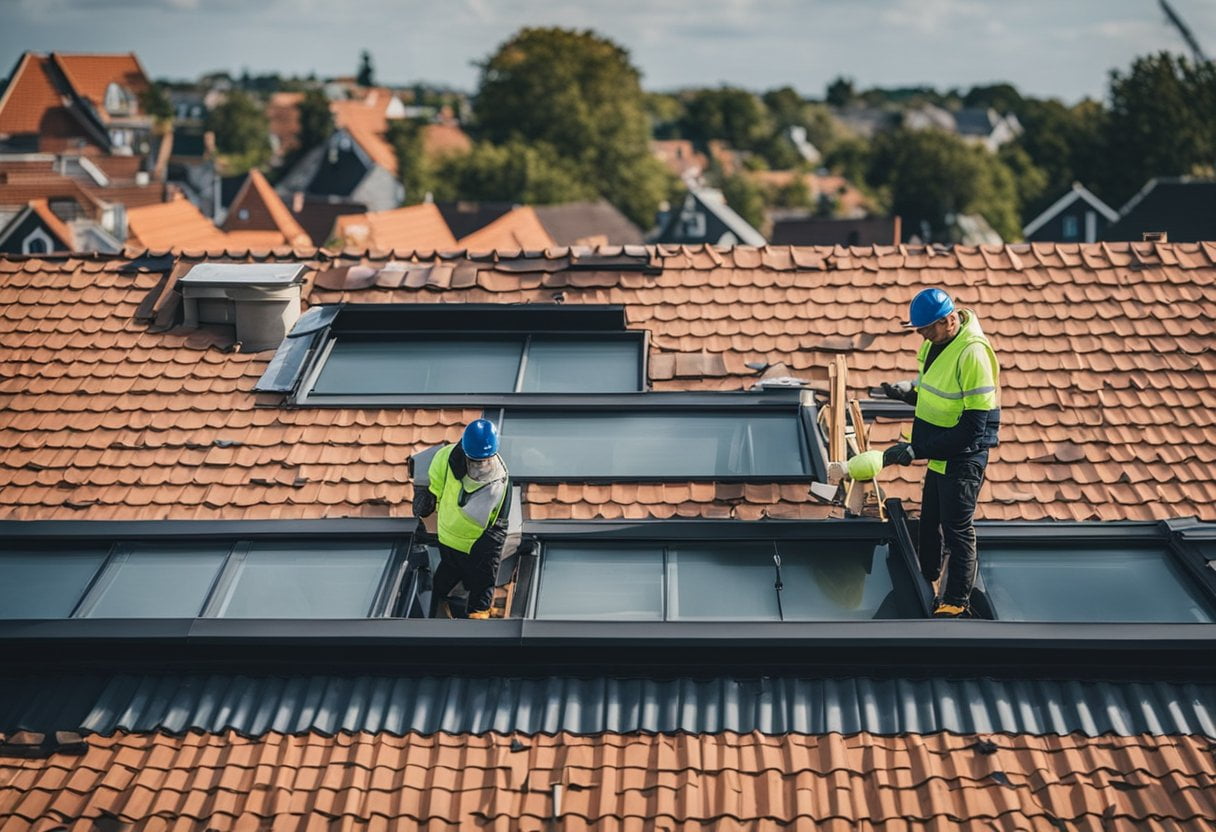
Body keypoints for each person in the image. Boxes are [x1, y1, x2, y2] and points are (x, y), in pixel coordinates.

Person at [881, 288, 1001, 618]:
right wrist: (908, 394)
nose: (921, 335)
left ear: (949, 320)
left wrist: (916, 449)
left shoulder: (972, 353)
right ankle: (926, 582)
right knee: (930, 519)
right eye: (918, 330)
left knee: (957, 528)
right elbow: (936, 394)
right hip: (940, 452)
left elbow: (972, 427)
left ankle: (956, 601)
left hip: (964, 456)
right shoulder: (935, 342)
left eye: (926, 329)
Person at [412, 419, 511, 620]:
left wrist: (488, 548)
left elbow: (497, 522)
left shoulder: (497, 480)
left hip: (475, 546)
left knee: (479, 592)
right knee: (443, 585)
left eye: (483, 461)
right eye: (474, 461)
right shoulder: (445, 457)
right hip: (448, 539)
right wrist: (429, 497)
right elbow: (437, 484)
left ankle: (474, 625)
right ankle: (435, 613)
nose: (479, 467)